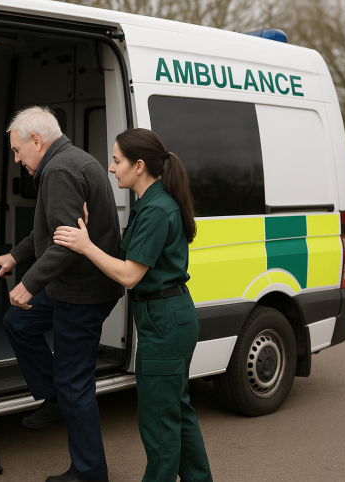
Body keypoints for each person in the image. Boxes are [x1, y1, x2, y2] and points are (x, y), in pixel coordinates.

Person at [53, 128, 213, 482]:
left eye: (116, 160)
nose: (111, 168)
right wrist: (90, 234)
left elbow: (128, 275)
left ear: (139, 166)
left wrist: (84, 246)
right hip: (169, 318)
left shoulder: (157, 209)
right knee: (177, 413)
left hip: (165, 322)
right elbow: (125, 259)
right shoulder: (151, 203)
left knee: (159, 423)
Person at [0, 106, 124, 482]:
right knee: (18, 323)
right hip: (73, 284)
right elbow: (52, 232)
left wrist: (28, 283)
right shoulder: (66, 161)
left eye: (18, 152)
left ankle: (88, 472)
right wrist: (16, 255)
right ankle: (54, 396)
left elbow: (65, 245)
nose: (17, 160)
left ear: (37, 141)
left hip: (82, 291)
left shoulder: (61, 170)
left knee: (75, 381)